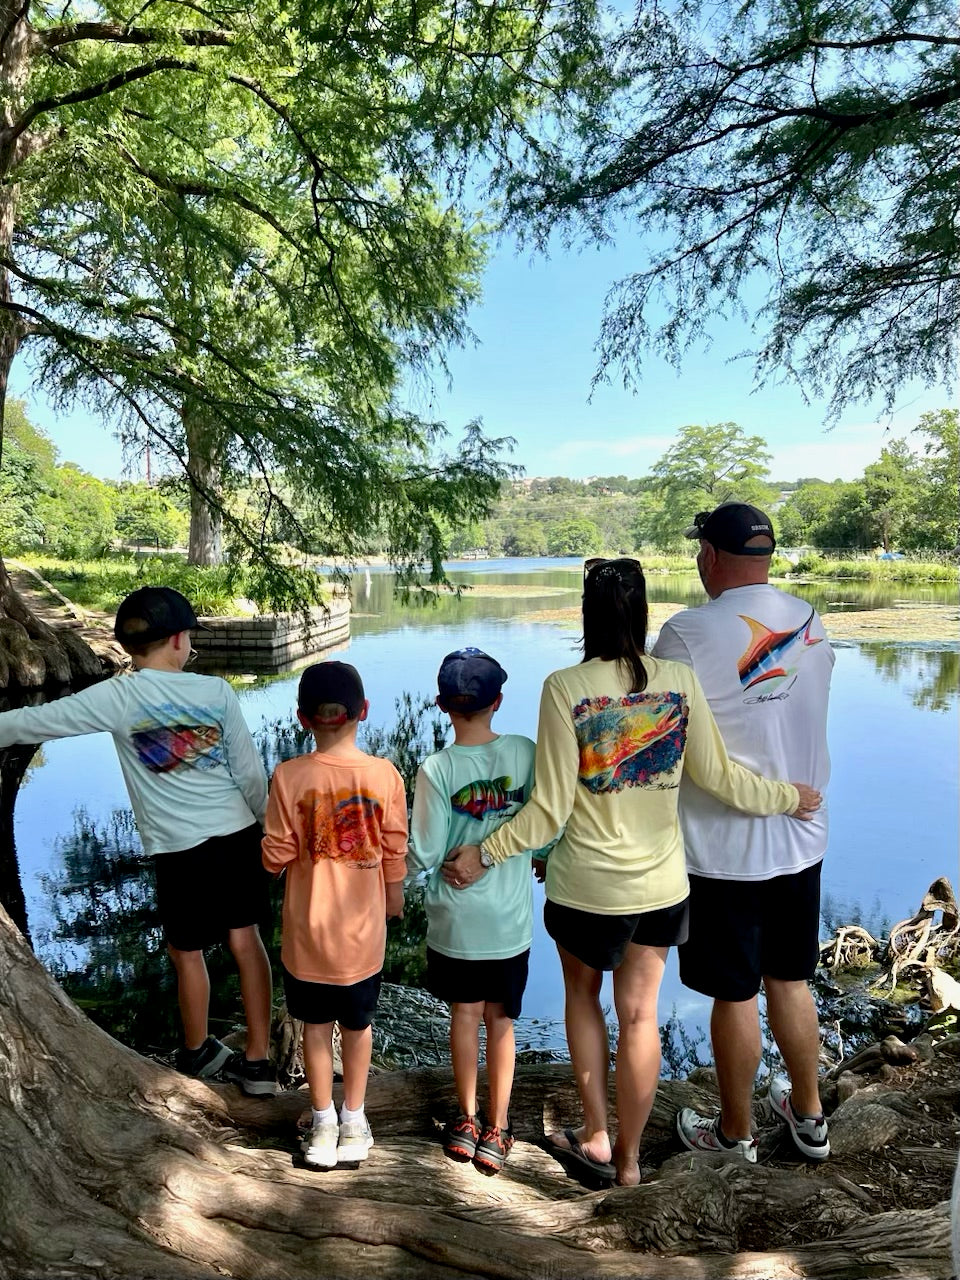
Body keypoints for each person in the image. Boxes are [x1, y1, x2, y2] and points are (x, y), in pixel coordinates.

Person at [442, 559, 821, 1186]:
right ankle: (629, 1162)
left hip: (586, 888)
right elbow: (722, 779)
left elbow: (550, 810)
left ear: (587, 613)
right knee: (640, 1016)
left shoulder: (566, 687)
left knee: (583, 1000)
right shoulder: (677, 681)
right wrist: (788, 796)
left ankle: (594, 1136)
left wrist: (483, 853)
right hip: (662, 888)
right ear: (642, 612)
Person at [0, 585, 276, 1095]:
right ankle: (258, 1064)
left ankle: (196, 1053)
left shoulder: (118, 696)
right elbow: (249, 775)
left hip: (179, 851)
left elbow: (36, 721)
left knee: (185, 949)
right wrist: (268, 832)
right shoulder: (217, 694)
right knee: (246, 939)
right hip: (238, 837)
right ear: (178, 640)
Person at [652, 501, 834, 1163]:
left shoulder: (686, 633)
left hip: (721, 853)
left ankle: (735, 1136)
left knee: (734, 992)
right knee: (789, 980)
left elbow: (656, 742)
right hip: (801, 836)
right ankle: (809, 1116)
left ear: (710, 556)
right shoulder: (810, 621)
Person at [262, 660, 407, 1169]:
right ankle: (355, 1119)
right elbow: (394, 847)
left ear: (303, 719)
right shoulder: (385, 775)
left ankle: (322, 1123)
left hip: (306, 937)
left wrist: (269, 850)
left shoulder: (288, 776)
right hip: (363, 938)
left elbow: (276, 856)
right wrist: (393, 896)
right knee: (359, 1028)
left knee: (315, 1028)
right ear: (362, 712)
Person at [410, 646, 543, 1176]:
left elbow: (423, 849)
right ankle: (498, 1126)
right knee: (502, 1022)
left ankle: (464, 1121)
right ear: (499, 701)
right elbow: (546, 823)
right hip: (508, 926)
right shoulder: (525, 754)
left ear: (443, 705)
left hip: (456, 924)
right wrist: (546, 858)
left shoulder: (436, 768)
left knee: (464, 1016)